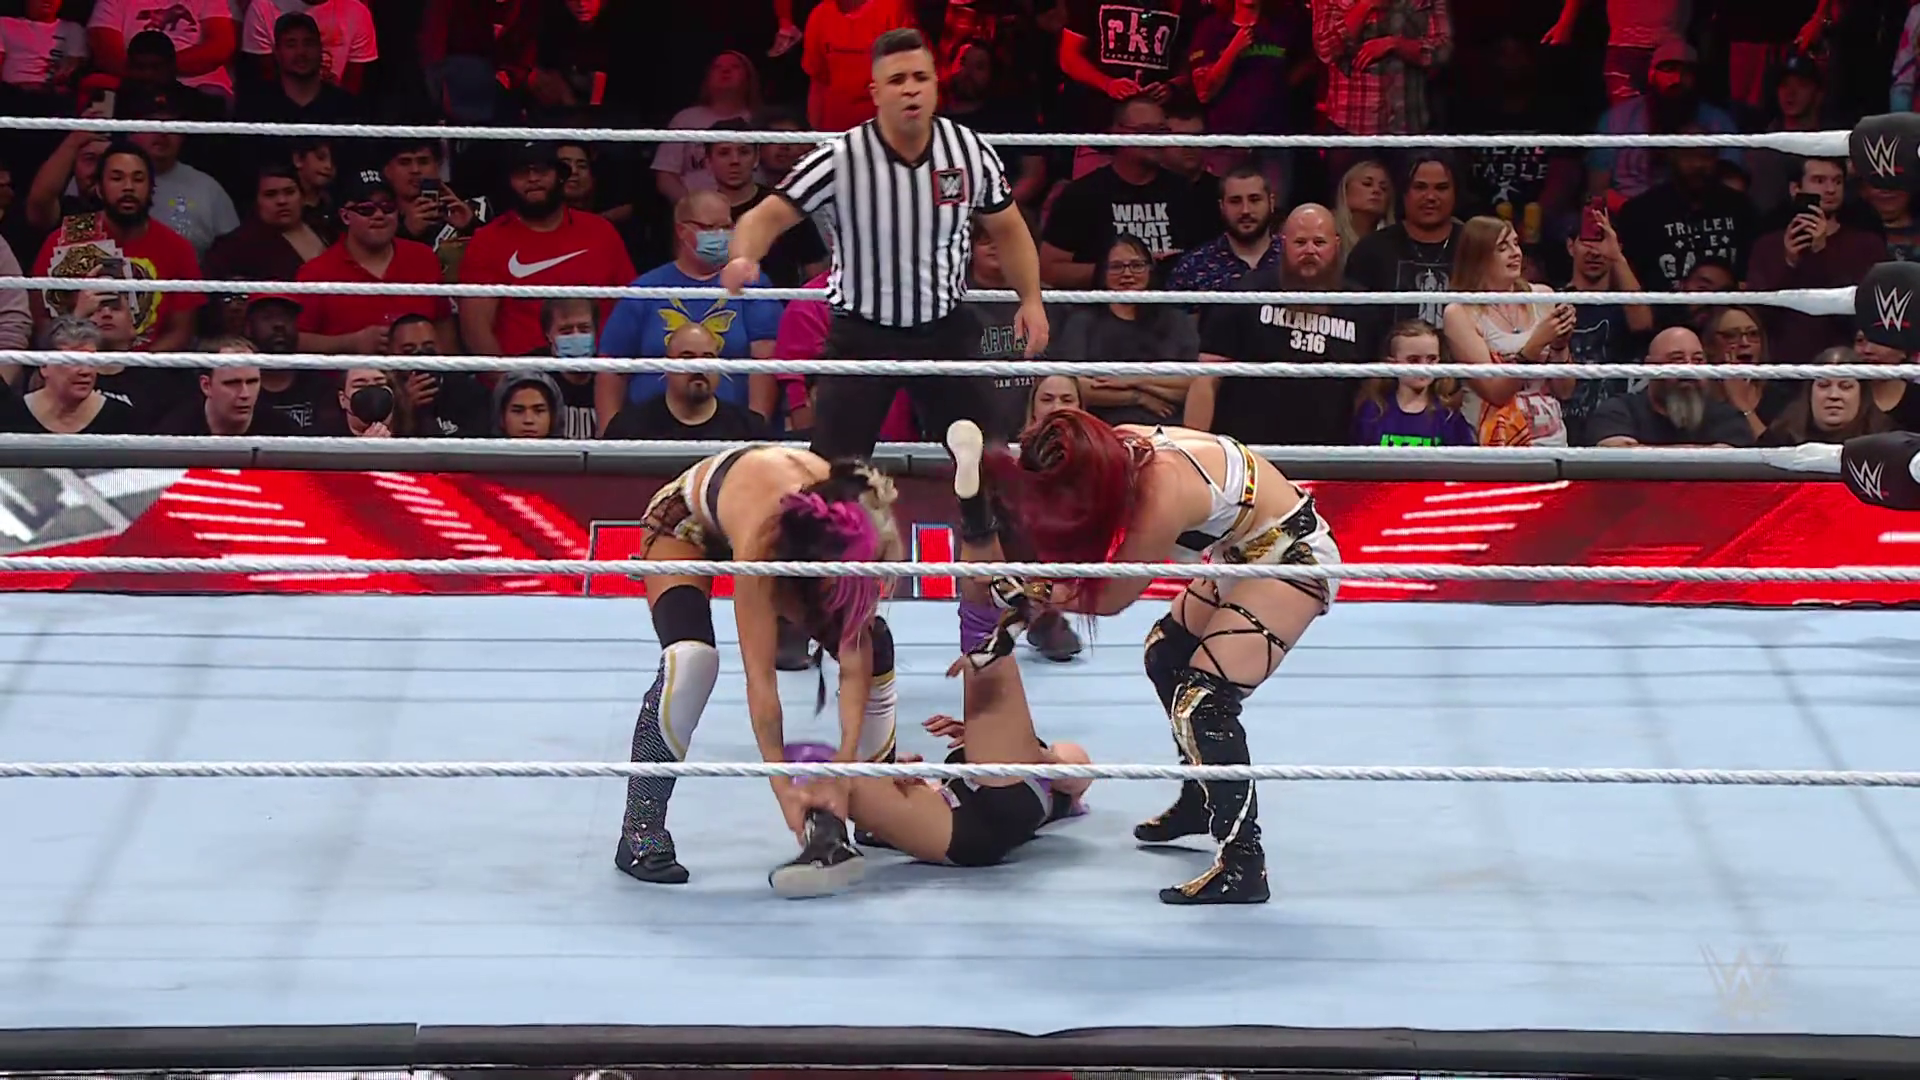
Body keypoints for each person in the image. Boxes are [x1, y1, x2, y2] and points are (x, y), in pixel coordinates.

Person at [985, 410, 1343, 905]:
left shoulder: (1161, 489)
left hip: (1292, 558)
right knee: (1167, 654)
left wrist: (1033, 589)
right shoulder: (1117, 449)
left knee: (1203, 704)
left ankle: (1243, 864)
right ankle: (1202, 796)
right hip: (1239, 554)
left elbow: (1112, 597)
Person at [722, 27, 1049, 461]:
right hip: (863, 331)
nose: (910, 89)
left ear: (936, 84)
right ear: (876, 93)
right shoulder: (841, 157)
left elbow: (1008, 227)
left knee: (986, 458)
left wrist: (1031, 299)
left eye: (920, 77)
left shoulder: (968, 151)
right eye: (897, 80)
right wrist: (744, 256)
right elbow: (766, 215)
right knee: (835, 467)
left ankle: (981, 504)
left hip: (944, 328)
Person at [618, 444, 907, 898]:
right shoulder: (763, 548)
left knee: (875, 641)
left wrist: (846, 771)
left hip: (797, 536)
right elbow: (761, 683)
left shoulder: (863, 533)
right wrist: (782, 786)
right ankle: (640, 829)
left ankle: (880, 800)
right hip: (686, 521)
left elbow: (855, 659)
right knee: (691, 661)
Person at [804, 420, 1094, 868]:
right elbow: (1078, 772)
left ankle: (978, 518)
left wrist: (1026, 752)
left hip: (972, 820)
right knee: (981, 625)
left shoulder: (1027, 765)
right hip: (970, 806)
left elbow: (1078, 773)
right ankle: (978, 517)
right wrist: (917, 776)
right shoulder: (1020, 762)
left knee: (820, 769)